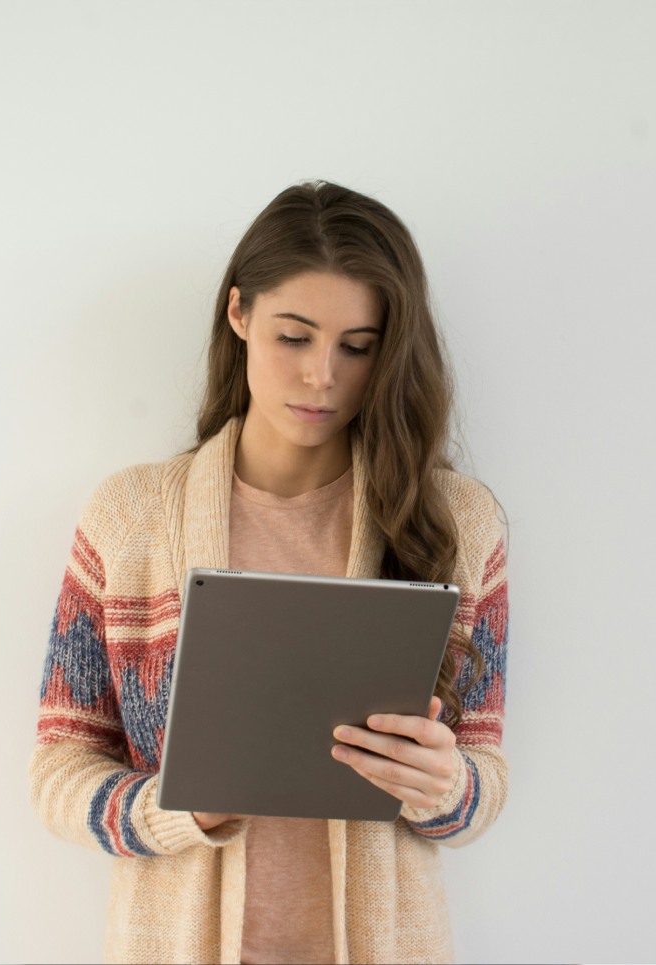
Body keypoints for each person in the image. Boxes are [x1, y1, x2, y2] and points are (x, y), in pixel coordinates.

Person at [29, 180, 509, 965]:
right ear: (239, 314)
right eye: (294, 336)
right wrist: (175, 809)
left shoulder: (456, 522)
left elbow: (482, 778)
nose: (323, 375)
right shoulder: (130, 516)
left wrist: (445, 785)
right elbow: (59, 765)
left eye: (358, 346)